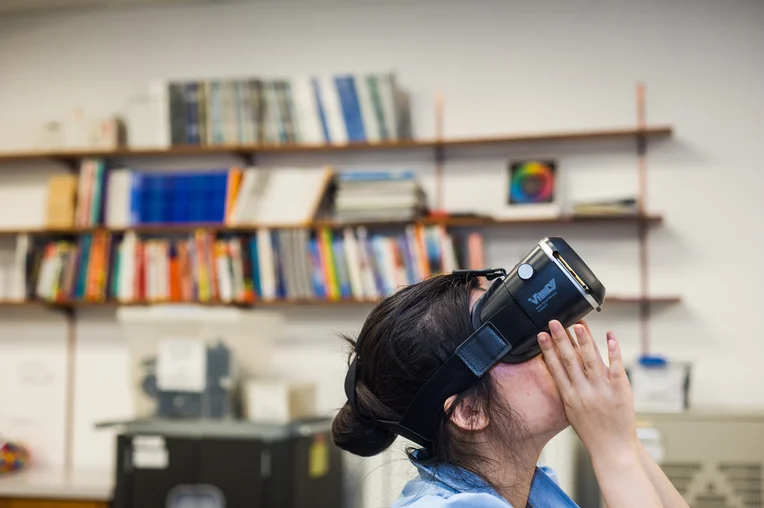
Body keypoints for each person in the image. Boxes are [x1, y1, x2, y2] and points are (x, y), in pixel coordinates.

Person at [332, 273, 689, 508]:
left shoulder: (530, 491)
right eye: (517, 341)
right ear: (470, 411)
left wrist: (624, 441)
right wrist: (613, 451)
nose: (550, 343)